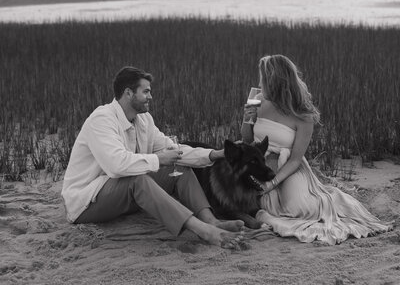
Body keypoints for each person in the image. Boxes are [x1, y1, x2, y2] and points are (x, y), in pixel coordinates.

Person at [62, 66, 245, 249]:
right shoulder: (101, 119)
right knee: (137, 179)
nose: (151, 96)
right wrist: (159, 159)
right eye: (146, 91)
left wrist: (215, 154)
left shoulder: (144, 120)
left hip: (122, 196)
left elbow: (174, 150)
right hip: (86, 203)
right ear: (128, 93)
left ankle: (210, 221)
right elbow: (116, 166)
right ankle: (203, 230)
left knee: (179, 168)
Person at [241, 54, 393, 245]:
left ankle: (327, 199)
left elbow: (296, 159)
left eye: (263, 80)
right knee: (256, 201)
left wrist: (272, 183)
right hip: (258, 160)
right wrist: (248, 119)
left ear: (275, 81)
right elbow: (246, 139)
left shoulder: (303, 115)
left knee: (300, 209)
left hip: (288, 167)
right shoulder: (257, 99)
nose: (260, 84)